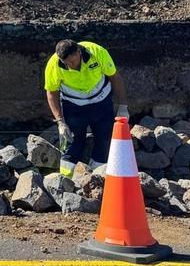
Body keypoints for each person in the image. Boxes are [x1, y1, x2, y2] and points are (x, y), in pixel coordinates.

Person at [44, 39, 128, 178]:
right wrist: (60, 121)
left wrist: (123, 106)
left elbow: (114, 77)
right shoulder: (54, 64)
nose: (70, 66)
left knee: (104, 138)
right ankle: (66, 179)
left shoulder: (97, 52)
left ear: (79, 52)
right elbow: (51, 92)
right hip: (73, 105)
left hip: (101, 101)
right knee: (72, 141)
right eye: (66, 63)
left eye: (72, 61)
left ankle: (98, 177)